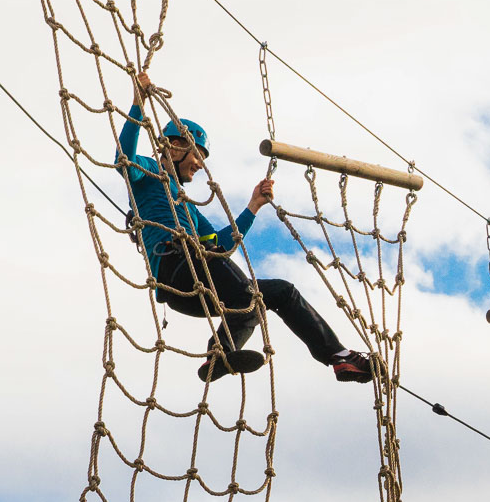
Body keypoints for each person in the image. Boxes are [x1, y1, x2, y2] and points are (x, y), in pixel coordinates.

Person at [118, 71, 376, 384]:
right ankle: (331, 355)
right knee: (242, 286)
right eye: (197, 155)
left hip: (199, 278)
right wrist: (137, 104)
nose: (200, 165)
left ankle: (326, 358)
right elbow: (124, 158)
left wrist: (253, 205)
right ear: (174, 146)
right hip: (179, 269)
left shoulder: (187, 207)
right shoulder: (149, 174)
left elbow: (222, 243)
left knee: (271, 295)